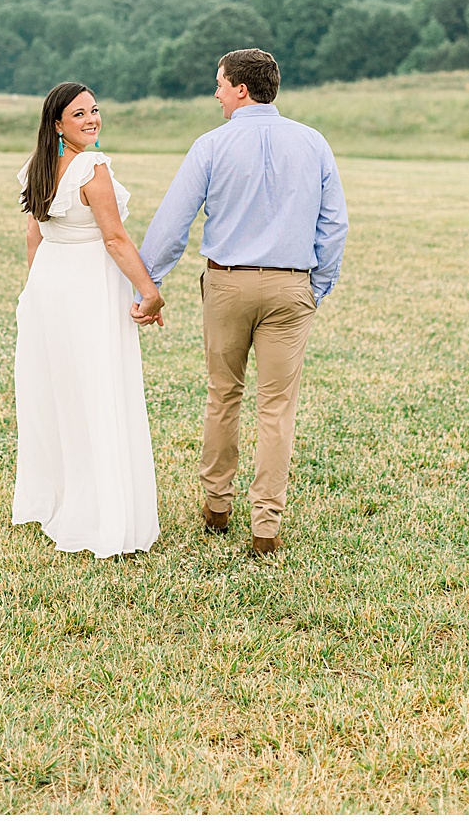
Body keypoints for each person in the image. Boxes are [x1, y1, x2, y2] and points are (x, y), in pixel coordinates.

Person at [139, 47, 348, 556]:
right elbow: (334, 224)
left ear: (240, 89)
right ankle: (266, 527)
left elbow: (173, 223)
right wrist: (315, 287)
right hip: (291, 286)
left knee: (223, 393)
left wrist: (147, 285)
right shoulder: (313, 142)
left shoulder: (211, 145)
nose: (215, 92)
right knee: (277, 408)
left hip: (228, 284)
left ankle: (217, 506)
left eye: (219, 83)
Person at [13, 82, 165, 559]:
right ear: (58, 124)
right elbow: (115, 240)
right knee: (98, 390)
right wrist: (150, 291)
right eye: (79, 114)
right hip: (88, 290)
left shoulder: (36, 168)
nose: (92, 120)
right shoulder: (90, 168)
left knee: (63, 394)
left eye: (95, 110)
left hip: (49, 289)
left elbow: (35, 240)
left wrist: (36, 291)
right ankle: (101, 512)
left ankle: (68, 498)